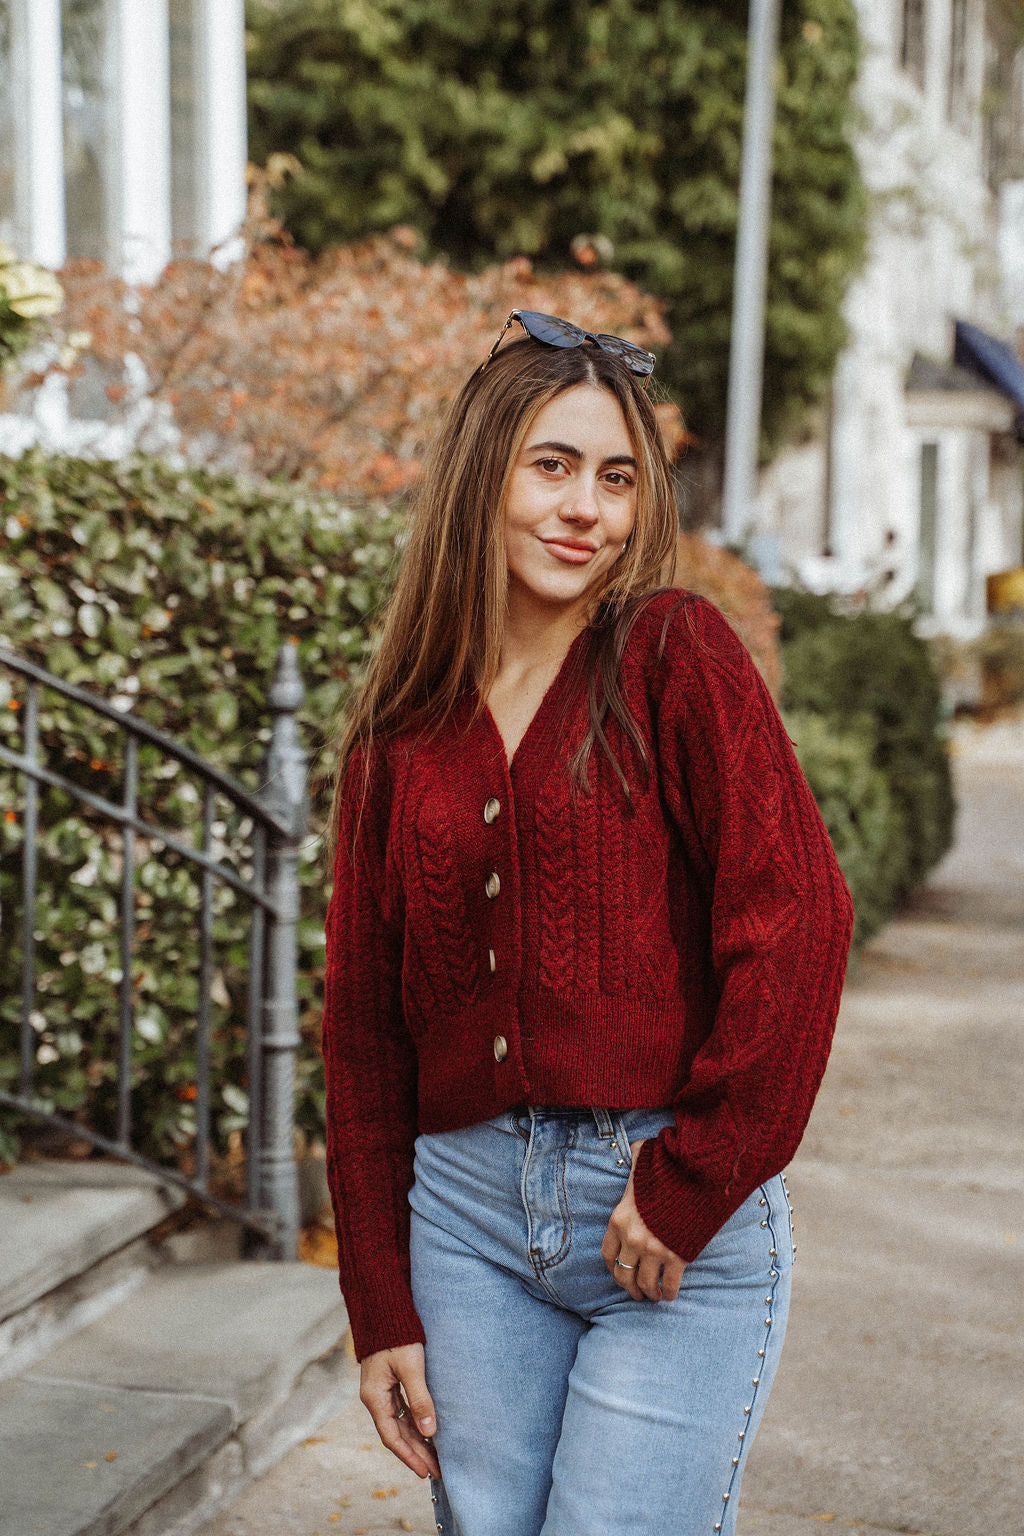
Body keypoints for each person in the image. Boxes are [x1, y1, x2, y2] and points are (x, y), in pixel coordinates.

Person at [321, 309, 854, 1536]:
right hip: (462, 1228)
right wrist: (379, 1305)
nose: (586, 510)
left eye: (617, 478)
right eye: (551, 467)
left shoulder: (672, 655)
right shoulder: (401, 734)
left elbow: (797, 920)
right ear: (481, 480)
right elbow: (363, 1035)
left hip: (663, 1217)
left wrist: (696, 1175)